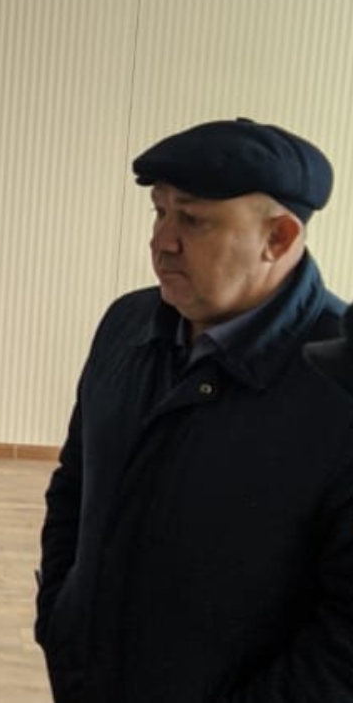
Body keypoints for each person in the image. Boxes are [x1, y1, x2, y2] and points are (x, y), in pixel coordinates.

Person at [35, 118, 353, 702]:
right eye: (159, 212)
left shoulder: (341, 385)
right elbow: (75, 482)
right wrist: (59, 617)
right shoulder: (126, 324)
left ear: (278, 237)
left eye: (193, 220)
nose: (161, 241)